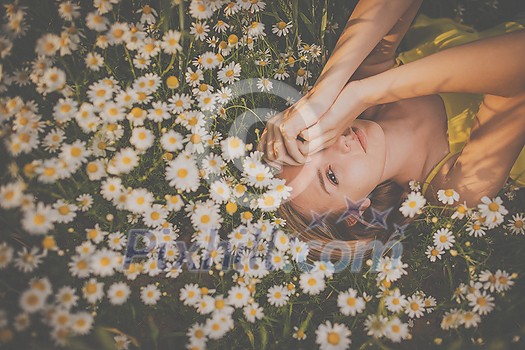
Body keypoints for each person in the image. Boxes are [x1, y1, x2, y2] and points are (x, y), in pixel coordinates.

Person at [257, 0, 525, 255]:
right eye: (331, 176)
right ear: (356, 212)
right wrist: (362, 94)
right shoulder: (454, 190)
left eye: (311, 141)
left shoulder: (363, 93)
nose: (338, 140)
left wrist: (327, 88)